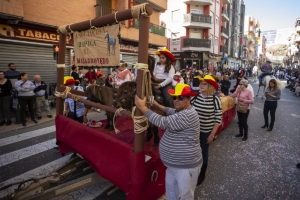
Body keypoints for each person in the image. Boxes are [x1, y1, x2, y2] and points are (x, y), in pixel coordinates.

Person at [135, 83, 202, 200]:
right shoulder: (183, 110)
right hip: (174, 165)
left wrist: (143, 108)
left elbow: (163, 122)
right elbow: (171, 111)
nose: (176, 100)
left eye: (180, 97)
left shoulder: (187, 115)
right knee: (171, 193)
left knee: (186, 196)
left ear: (188, 99)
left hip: (185, 166)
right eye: (174, 97)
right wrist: (157, 105)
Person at [191, 75, 222, 186]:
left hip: (206, 132)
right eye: (201, 84)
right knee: (193, 151)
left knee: (203, 152)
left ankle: (202, 174)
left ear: (210, 86)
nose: (201, 85)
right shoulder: (195, 96)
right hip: (193, 131)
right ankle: (193, 171)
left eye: (204, 84)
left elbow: (218, 119)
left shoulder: (215, 99)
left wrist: (212, 135)